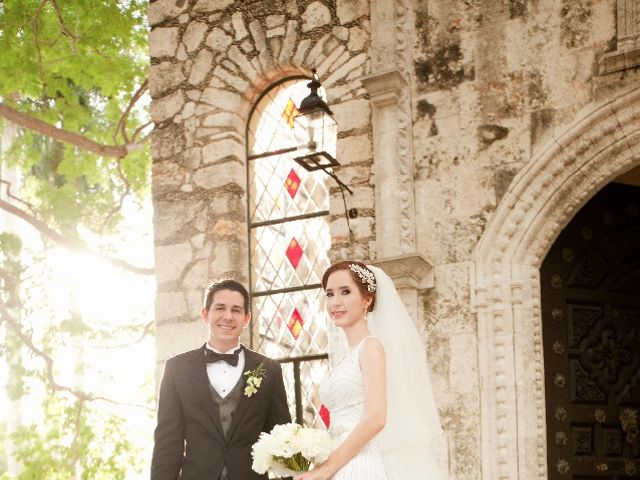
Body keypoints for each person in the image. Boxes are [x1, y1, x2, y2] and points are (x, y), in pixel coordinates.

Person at [295, 261, 445, 480]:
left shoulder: (371, 347)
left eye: (345, 292)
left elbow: (376, 417)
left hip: (363, 463)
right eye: (329, 294)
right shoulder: (347, 356)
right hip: (341, 459)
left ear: (367, 299)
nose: (335, 302)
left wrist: (328, 468)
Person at [151, 279, 291, 480]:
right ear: (205, 314)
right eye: (220, 308)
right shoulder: (177, 369)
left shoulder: (269, 370)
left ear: (246, 318)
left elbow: (283, 439)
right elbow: (167, 444)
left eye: (236, 310)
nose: (228, 316)